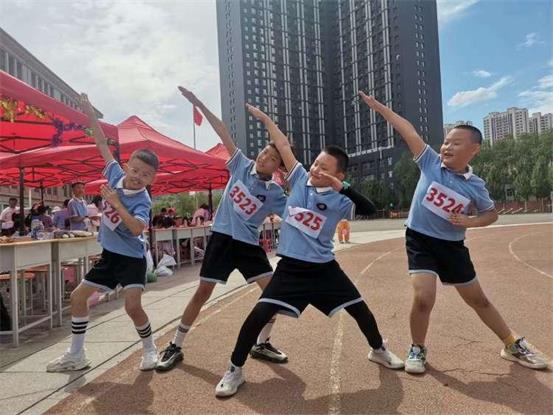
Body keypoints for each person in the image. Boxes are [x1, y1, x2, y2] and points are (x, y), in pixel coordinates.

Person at [215, 105, 403, 398]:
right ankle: (234, 370)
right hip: (290, 269)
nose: (315, 169)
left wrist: (343, 187)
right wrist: (265, 120)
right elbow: (282, 145)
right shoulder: (300, 178)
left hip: (324, 268)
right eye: (316, 163)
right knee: (259, 314)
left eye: (324, 168)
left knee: (360, 309)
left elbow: (369, 208)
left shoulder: (341, 200)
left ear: (339, 175)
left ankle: (378, 349)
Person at [359, 91, 549, 373]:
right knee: (424, 297)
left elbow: (491, 214)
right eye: (446, 141)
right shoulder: (430, 162)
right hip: (420, 240)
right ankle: (417, 348)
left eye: (456, 143)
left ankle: (511, 344)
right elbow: (408, 130)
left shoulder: (475, 185)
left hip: (452, 247)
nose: (447, 147)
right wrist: (379, 108)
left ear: (474, 150)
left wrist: (469, 221)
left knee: (478, 300)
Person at [155, 87, 289, 372]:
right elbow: (222, 130)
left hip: (248, 245)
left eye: (272, 158)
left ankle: (262, 343)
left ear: (278, 167)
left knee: (274, 294)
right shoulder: (240, 165)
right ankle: (175, 344)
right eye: (264, 152)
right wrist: (199, 102)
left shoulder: (275, 193)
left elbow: (294, 215)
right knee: (203, 291)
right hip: (222, 239)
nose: (264, 158)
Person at [47, 93, 160, 372]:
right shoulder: (115, 175)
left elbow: (137, 228)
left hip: (132, 259)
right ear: (127, 166)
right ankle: (76, 354)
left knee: (132, 307)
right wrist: (89, 113)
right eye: (135, 170)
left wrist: (117, 203)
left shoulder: (143, 200)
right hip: (110, 256)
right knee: (77, 297)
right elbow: (101, 143)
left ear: (151, 179)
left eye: (145, 175)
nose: (138, 177)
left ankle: (150, 349)